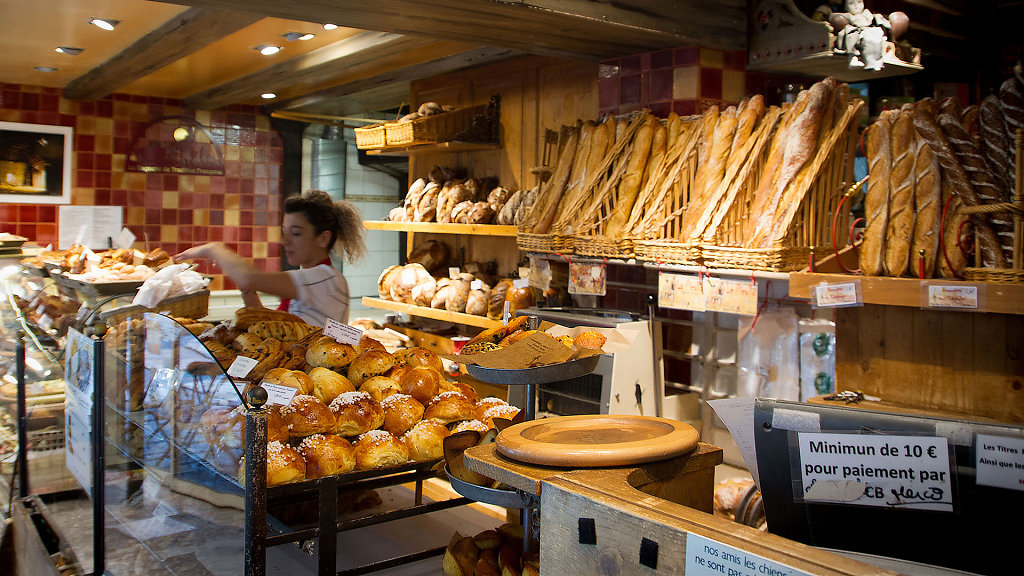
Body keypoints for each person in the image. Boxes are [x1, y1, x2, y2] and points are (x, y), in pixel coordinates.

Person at [175, 190, 366, 327]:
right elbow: (266, 326)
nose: (285, 241)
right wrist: (247, 290)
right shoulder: (309, 278)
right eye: (285, 232)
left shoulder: (326, 280)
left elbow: (251, 277)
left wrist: (215, 248)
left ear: (323, 238)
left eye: (296, 233)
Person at [828, 0, 892, 70]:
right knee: (852, 35)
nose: (856, 5)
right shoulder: (846, 16)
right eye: (851, 3)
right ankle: (853, 58)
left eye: (859, 2)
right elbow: (834, 18)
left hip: (869, 31)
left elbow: (881, 22)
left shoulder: (870, 15)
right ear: (845, 7)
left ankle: (875, 63)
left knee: (873, 37)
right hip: (855, 31)